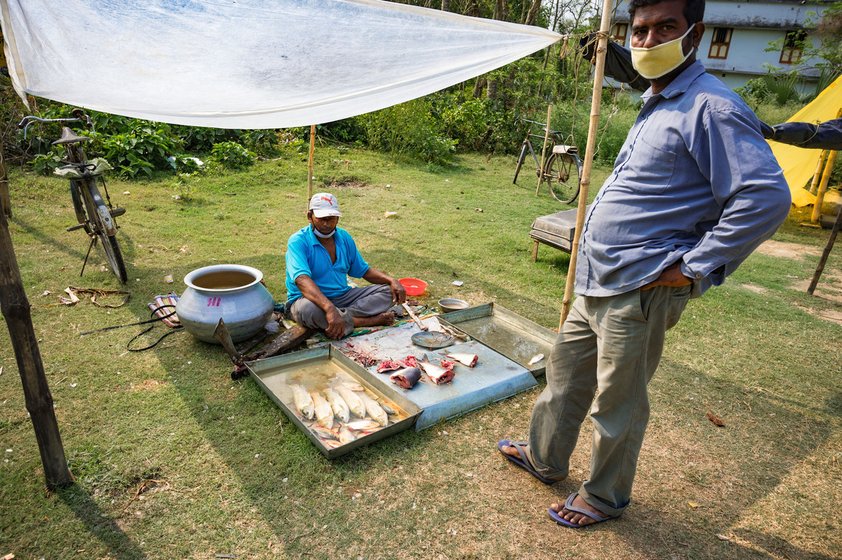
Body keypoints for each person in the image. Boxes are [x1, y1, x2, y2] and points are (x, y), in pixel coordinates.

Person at [499, 0, 791, 528]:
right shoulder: (658, 99)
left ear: (694, 34)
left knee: (619, 400)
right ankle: (545, 457)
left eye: (666, 28)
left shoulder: (712, 107)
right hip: (597, 278)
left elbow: (764, 197)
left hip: (641, 286)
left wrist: (695, 265)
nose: (649, 40)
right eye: (640, 29)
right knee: (564, 377)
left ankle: (604, 496)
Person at [285, 192, 406, 339]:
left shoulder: (344, 237)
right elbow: (301, 280)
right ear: (310, 216)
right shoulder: (298, 241)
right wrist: (329, 308)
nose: (326, 224)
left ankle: (339, 318)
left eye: (332, 219)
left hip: (343, 296)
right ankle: (362, 321)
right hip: (310, 300)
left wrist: (391, 280)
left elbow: (364, 271)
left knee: (388, 292)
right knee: (307, 310)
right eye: (322, 219)